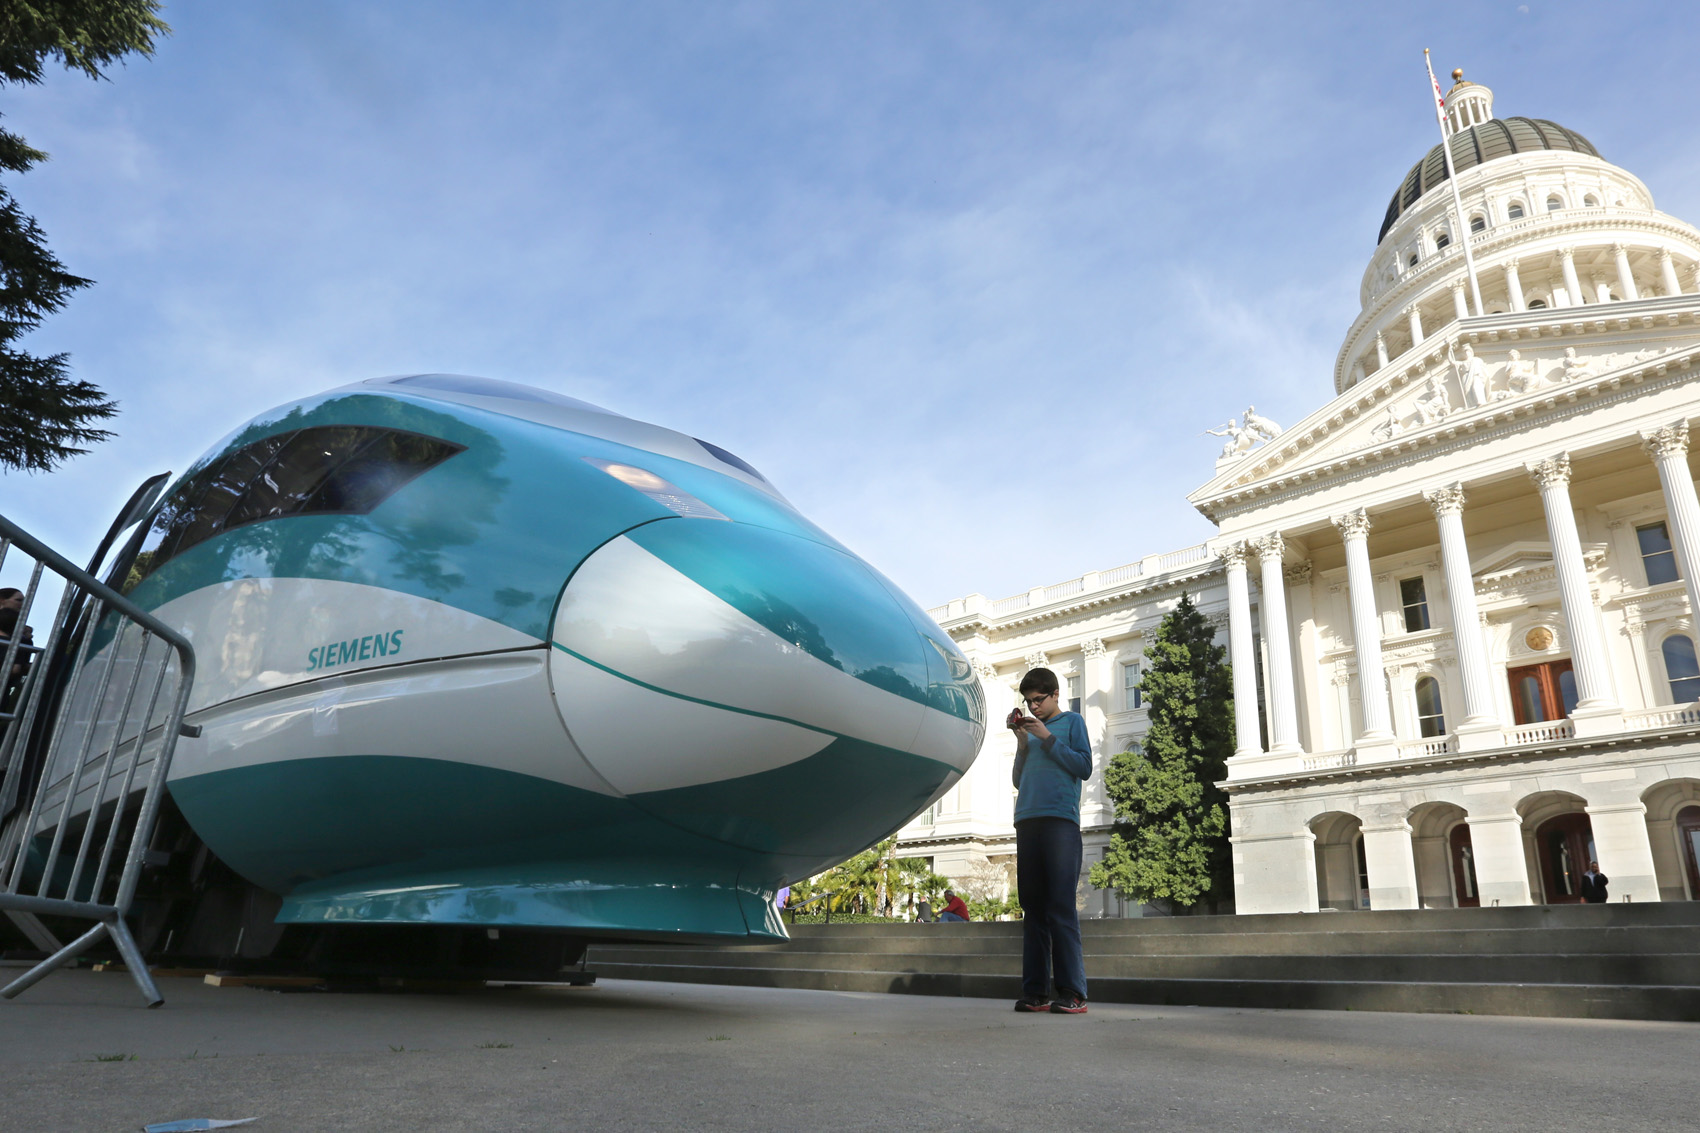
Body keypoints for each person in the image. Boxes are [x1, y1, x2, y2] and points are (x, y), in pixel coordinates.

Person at [1009, 666, 1092, 1015]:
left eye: (1038, 700)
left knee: (1060, 906)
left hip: (1060, 821)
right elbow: (1018, 780)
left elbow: (1084, 767)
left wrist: (1046, 737)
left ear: (1055, 694)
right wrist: (1023, 742)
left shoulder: (1072, 722)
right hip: (1027, 820)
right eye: (1028, 702)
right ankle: (1036, 992)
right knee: (1033, 910)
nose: (1033, 707)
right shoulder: (1030, 732)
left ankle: (1073, 992)